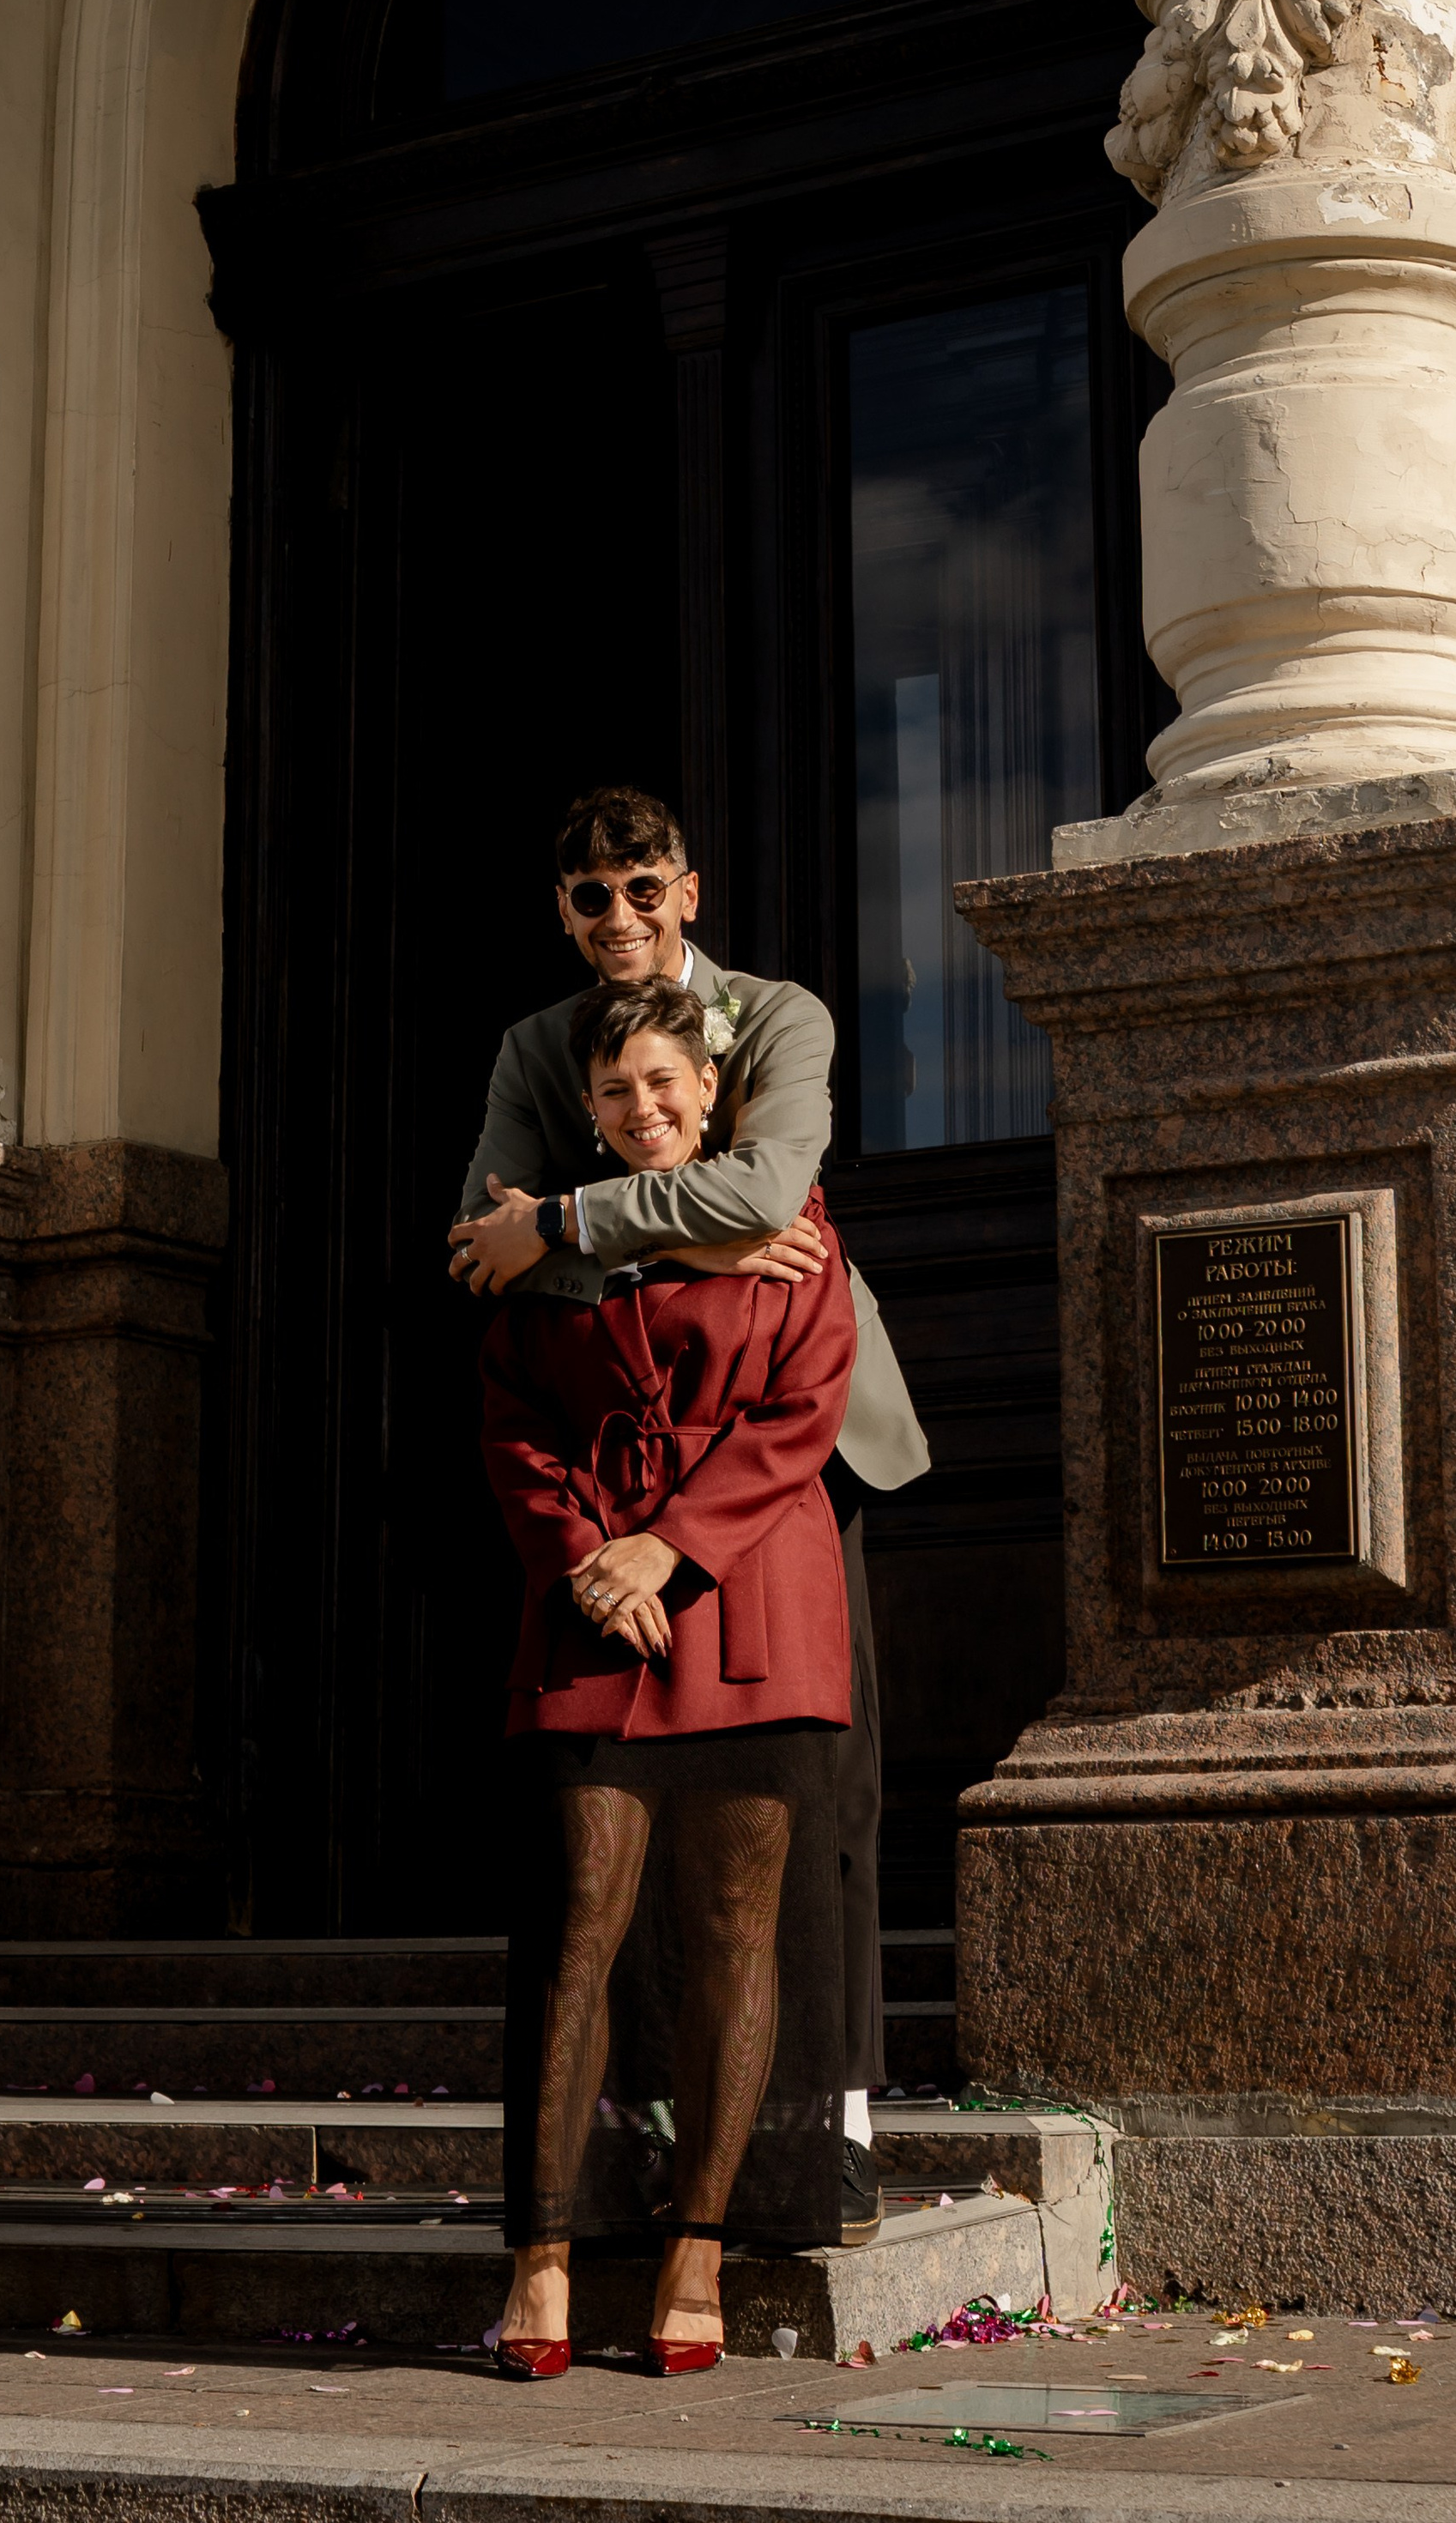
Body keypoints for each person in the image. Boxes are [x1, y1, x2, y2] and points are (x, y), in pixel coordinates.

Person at [449, 782, 928, 2245]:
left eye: (643, 889)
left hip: (801, 1439)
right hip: (616, 1454)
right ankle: (642, 2133)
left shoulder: (781, 1018)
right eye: (591, 899)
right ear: (563, 913)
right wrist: (681, 1238)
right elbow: (484, 1248)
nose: (620, 920)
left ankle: (825, 2126)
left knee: (818, 1802)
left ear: (689, 891)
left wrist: (576, 1221)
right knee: (616, 1822)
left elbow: (780, 1183)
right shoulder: (539, 1051)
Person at [480, 973, 856, 2378]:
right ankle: (543, 2248)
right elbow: (512, 1412)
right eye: (620, 1090)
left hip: (751, 1605)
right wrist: (587, 1552)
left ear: (712, 1092)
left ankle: (697, 2246)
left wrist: (673, 1550)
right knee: (580, 1916)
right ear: (588, 1108)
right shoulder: (545, 1246)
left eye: (668, 1085)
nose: (647, 1108)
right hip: (591, 1613)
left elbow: (806, 1404)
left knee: (733, 1928)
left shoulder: (787, 1222)